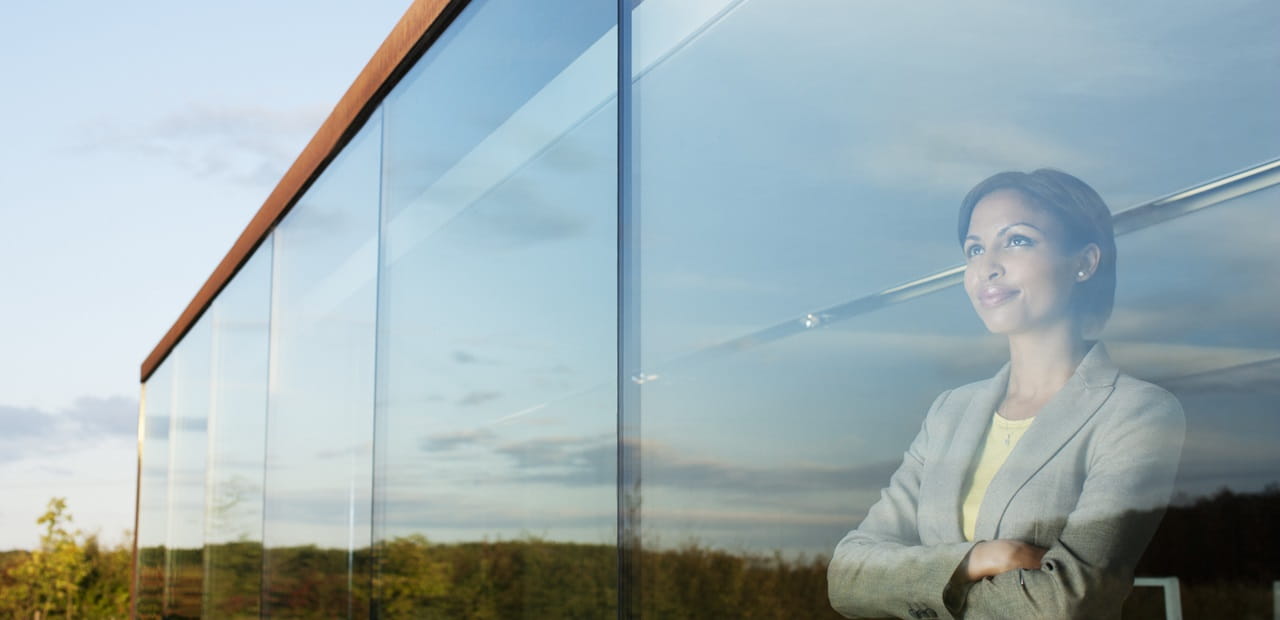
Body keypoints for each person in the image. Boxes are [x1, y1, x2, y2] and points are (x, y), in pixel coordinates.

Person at [827, 170, 1185, 619]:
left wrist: (912, 588)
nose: (986, 265)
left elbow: (1065, 603)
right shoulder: (949, 413)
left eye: (1016, 241)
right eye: (975, 249)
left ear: (1085, 261)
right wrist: (978, 558)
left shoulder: (1135, 413)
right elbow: (846, 575)